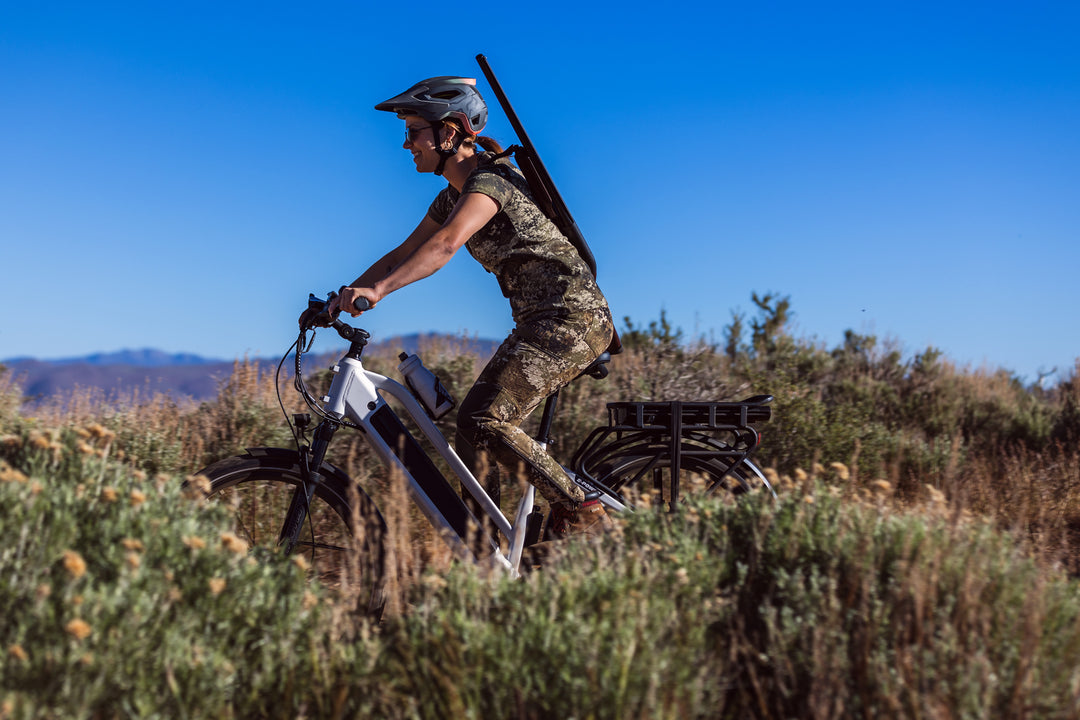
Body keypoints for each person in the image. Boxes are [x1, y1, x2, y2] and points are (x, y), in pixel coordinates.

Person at [325, 75, 615, 541]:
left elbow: (444, 246)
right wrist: (345, 293)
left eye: (414, 131)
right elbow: (403, 252)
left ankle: (582, 509)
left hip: (570, 319)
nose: (406, 144)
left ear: (451, 132)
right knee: (470, 433)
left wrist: (378, 292)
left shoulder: (489, 182)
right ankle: (486, 550)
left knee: (484, 419)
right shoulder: (451, 196)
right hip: (540, 322)